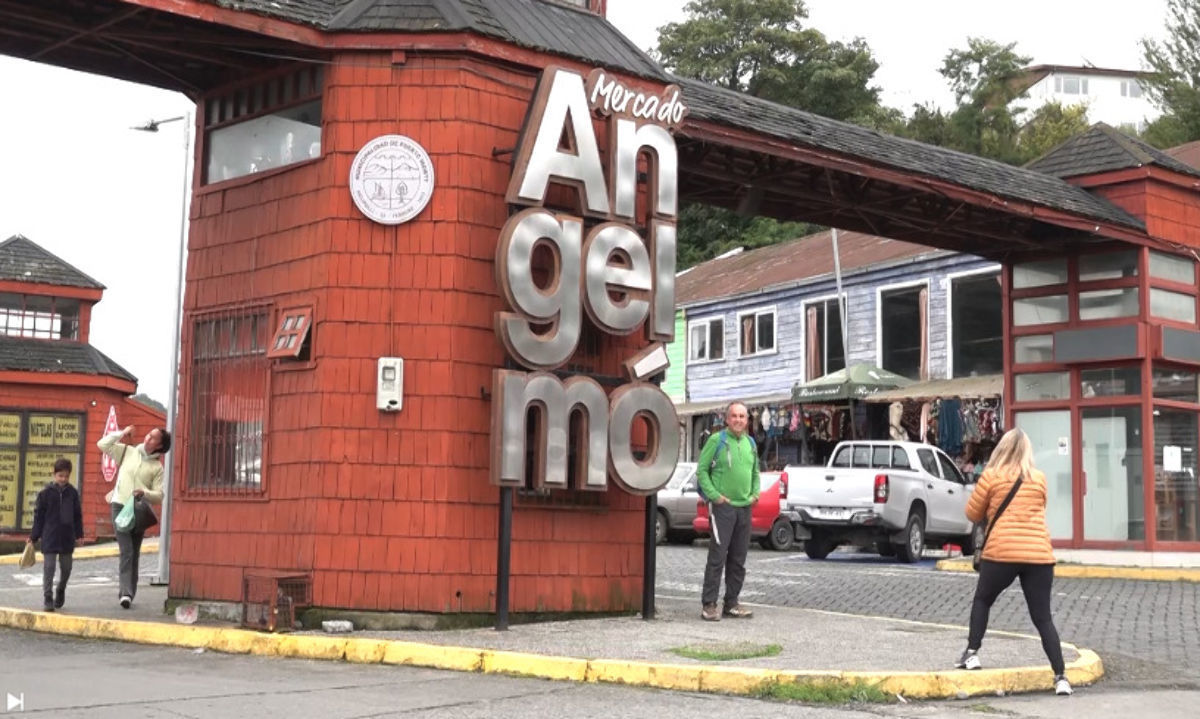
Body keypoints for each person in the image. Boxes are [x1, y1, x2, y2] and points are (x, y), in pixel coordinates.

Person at [955, 428, 1072, 696]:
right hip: (1039, 555)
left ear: (1001, 449)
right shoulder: (1039, 478)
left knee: (983, 599)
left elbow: (972, 513)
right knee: (1043, 617)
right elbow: (1040, 507)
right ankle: (1060, 677)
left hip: (1002, 553)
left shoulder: (991, 476)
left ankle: (972, 653)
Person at [696, 401, 759, 622]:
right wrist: (715, 497)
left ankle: (731, 603)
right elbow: (702, 471)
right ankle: (709, 604)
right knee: (717, 557)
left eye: (742, 416)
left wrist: (755, 494)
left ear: (747, 420)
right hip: (723, 507)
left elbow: (756, 472)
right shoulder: (717, 440)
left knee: (738, 558)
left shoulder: (750, 443)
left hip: (744, 507)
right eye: (735, 416)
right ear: (727, 419)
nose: (739, 420)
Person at [98, 425, 171, 609]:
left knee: (135, 552)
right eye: (149, 434)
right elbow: (103, 444)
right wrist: (121, 433)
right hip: (119, 506)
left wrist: (144, 492)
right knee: (127, 550)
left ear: (160, 446)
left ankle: (130, 592)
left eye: (154, 438)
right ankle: (125, 593)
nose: (148, 438)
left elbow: (159, 495)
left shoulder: (157, 468)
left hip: (139, 510)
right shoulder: (128, 452)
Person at [28, 458, 83, 612]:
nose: (63, 479)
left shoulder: (72, 493)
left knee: (66, 568)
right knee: (49, 567)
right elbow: (39, 517)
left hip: (67, 537)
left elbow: (77, 515)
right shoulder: (45, 494)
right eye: (60, 476)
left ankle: (61, 589)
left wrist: (79, 534)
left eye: (66, 476)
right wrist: (33, 536)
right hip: (50, 536)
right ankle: (48, 597)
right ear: (54, 475)